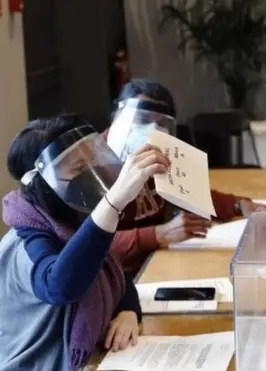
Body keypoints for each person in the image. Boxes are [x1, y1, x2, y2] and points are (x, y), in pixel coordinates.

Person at [0, 114, 171, 370]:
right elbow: (61, 286)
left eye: (93, 159)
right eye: (79, 168)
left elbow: (116, 277)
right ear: (43, 183)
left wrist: (128, 312)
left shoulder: (72, 223)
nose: (93, 171)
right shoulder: (24, 242)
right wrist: (112, 204)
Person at [104, 78, 266, 275]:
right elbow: (83, 244)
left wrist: (236, 204)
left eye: (160, 123)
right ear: (117, 115)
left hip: (155, 260)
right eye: (143, 119)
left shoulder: (159, 150)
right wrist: (158, 234)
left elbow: (189, 192)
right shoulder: (93, 164)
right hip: (114, 277)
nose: (152, 130)